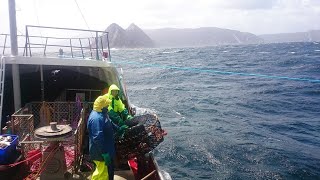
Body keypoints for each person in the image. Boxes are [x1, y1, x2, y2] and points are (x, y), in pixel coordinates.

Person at [87, 95, 115, 180]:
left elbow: (109, 122)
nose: (108, 106)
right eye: (106, 105)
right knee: (102, 174)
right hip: (100, 153)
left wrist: (118, 128)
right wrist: (104, 153)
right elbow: (97, 138)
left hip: (107, 149)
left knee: (105, 173)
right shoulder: (96, 119)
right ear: (101, 107)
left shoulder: (102, 113)